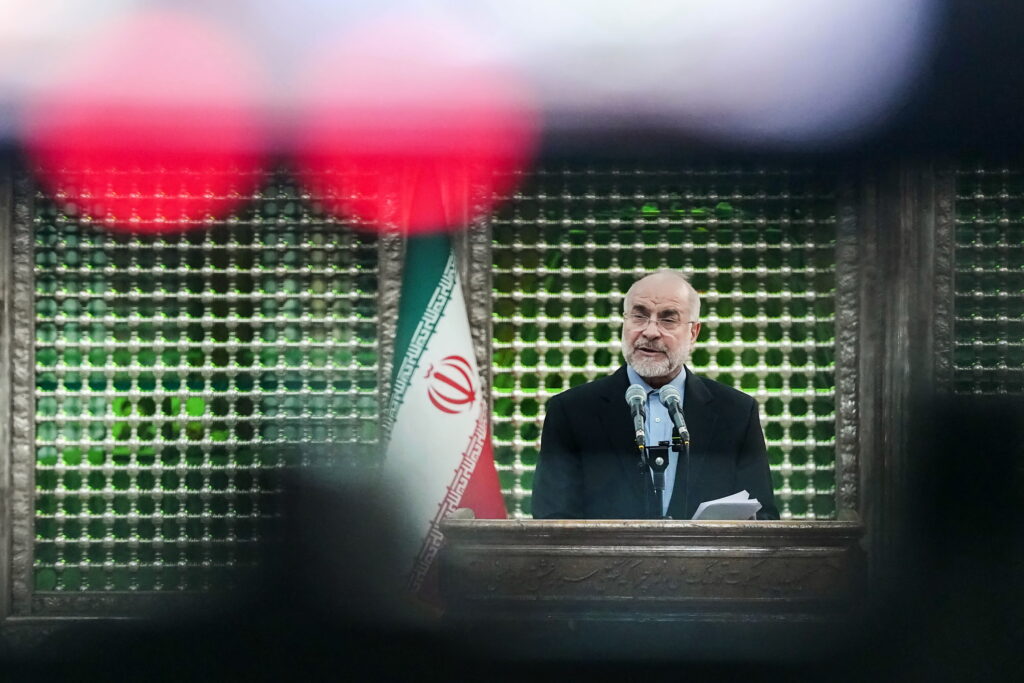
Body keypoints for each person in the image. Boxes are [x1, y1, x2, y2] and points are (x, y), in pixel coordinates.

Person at [532, 270, 779, 520]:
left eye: (668, 319)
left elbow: (764, 516)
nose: (650, 331)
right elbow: (552, 519)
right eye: (639, 316)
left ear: (693, 333)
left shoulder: (736, 413)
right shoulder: (572, 411)